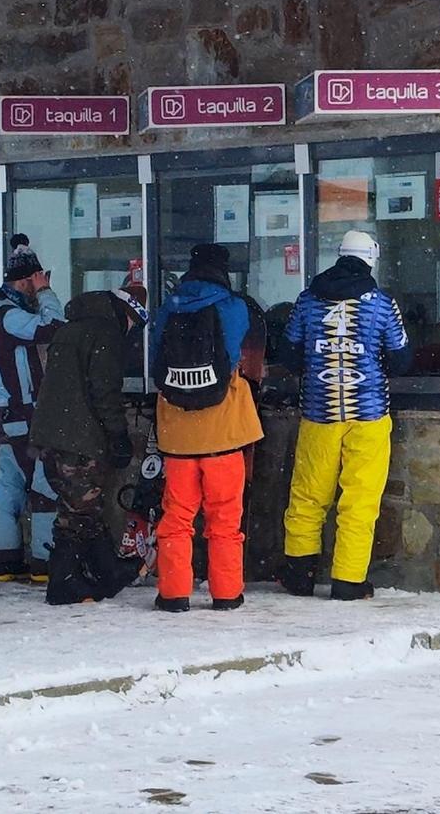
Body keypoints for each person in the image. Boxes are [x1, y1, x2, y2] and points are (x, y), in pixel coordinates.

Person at [279, 230, 412, 601]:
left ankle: (299, 574)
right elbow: (401, 360)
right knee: (359, 499)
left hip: (318, 414)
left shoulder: (307, 301)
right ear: (371, 259)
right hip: (368, 414)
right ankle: (348, 582)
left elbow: (288, 355)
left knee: (307, 496)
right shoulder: (382, 304)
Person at [149, 244, 264, 612]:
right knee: (225, 520)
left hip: (178, 435)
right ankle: (227, 594)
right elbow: (245, 356)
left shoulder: (168, 308)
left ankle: (173, 593)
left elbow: (155, 364)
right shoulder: (234, 307)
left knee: (177, 518)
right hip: (224, 434)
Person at [28, 284, 150, 606]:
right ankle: (64, 581)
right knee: (77, 513)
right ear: (127, 314)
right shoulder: (106, 334)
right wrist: (118, 436)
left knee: (82, 507)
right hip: (79, 441)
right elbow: (104, 392)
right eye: (133, 325)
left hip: (51, 437)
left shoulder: (70, 330)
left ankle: (106, 570)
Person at [0, 234, 64, 583]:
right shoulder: (9, 316)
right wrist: (46, 294)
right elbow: (53, 329)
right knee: (43, 487)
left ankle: (5, 562)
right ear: (25, 280)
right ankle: (44, 562)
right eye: (36, 280)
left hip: (5, 414)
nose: (39, 287)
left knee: (8, 487)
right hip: (28, 414)